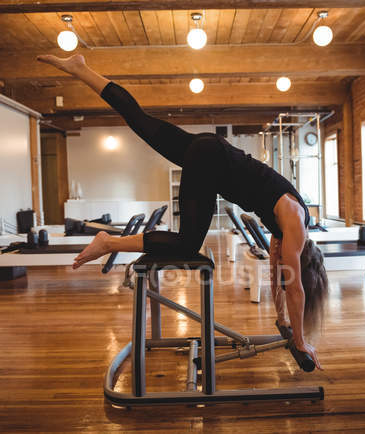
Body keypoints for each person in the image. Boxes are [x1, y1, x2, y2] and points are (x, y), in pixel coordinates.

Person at [37, 54, 328, 370]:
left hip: (208, 148)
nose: (281, 256)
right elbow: (295, 287)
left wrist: (282, 319)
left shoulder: (286, 229)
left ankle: (82, 69)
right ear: (303, 259)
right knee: (187, 244)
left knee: (140, 121)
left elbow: (278, 277)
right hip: (212, 162)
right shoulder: (295, 226)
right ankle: (109, 243)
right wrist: (300, 341)